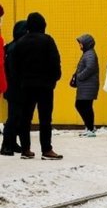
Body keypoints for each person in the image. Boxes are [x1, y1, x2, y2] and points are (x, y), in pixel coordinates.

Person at [13, 12, 63, 160]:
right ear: (43, 25)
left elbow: (14, 66)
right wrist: (54, 79)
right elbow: (55, 62)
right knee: (45, 118)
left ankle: (25, 149)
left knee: (25, 118)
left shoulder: (20, 43)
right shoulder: (47, 41)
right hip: (45, 86)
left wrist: (20, 82)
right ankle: (46, 149)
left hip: (26, 86)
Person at [1, 19, 27, 156]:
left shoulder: (11, 46)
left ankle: (12, 142)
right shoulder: (15, 47)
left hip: (12, 88)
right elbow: (13, 70)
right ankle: (6, 145)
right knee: (13, 117)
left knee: (17, 117)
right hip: (15, 88)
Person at [74, 34, 99, 137]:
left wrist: (79, 76)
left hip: (88, 86)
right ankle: (89, 127)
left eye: (80, 43)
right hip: (86, 86)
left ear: (86, 44)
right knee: (86, 106)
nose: (80, 45)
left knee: (82, 105)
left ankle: (90, 128)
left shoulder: (89, 54)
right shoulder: (88, 53)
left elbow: (90, 68)